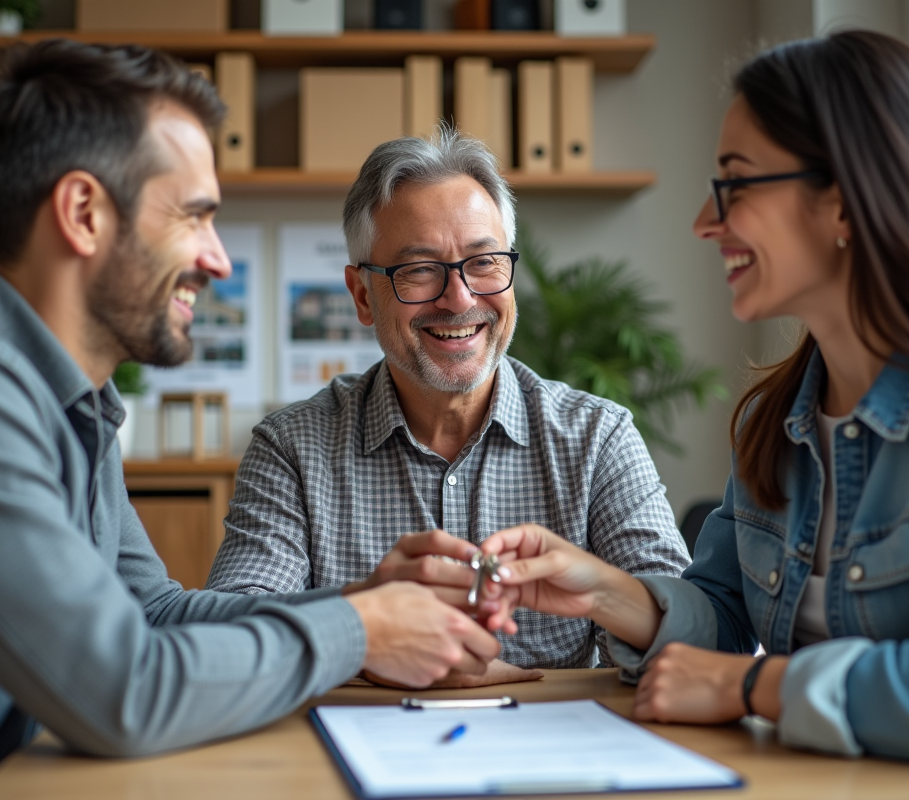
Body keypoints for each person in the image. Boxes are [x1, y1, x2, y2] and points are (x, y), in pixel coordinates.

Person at [0, 40, 503, 800]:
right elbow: (124, 691)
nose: (218, 259)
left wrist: (362, 604)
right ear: (84, 213)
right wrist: (364, 631)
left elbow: (152, 612)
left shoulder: (65, 398)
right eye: (194, 215)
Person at [476, 30, 909, 783]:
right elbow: (725, 616)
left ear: (843, 201)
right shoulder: (777, 420)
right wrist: (604, 592)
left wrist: (749, 685)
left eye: (735, 184)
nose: (705, 224)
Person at [204, 127, 690, 677]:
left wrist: (603, 594)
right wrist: (365, 619)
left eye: (484, 263)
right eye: (419, 270)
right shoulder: (292, 447)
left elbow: (690, 638)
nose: (459, 299)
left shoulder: (598, 437)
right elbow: (230, 640)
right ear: (363, 295)